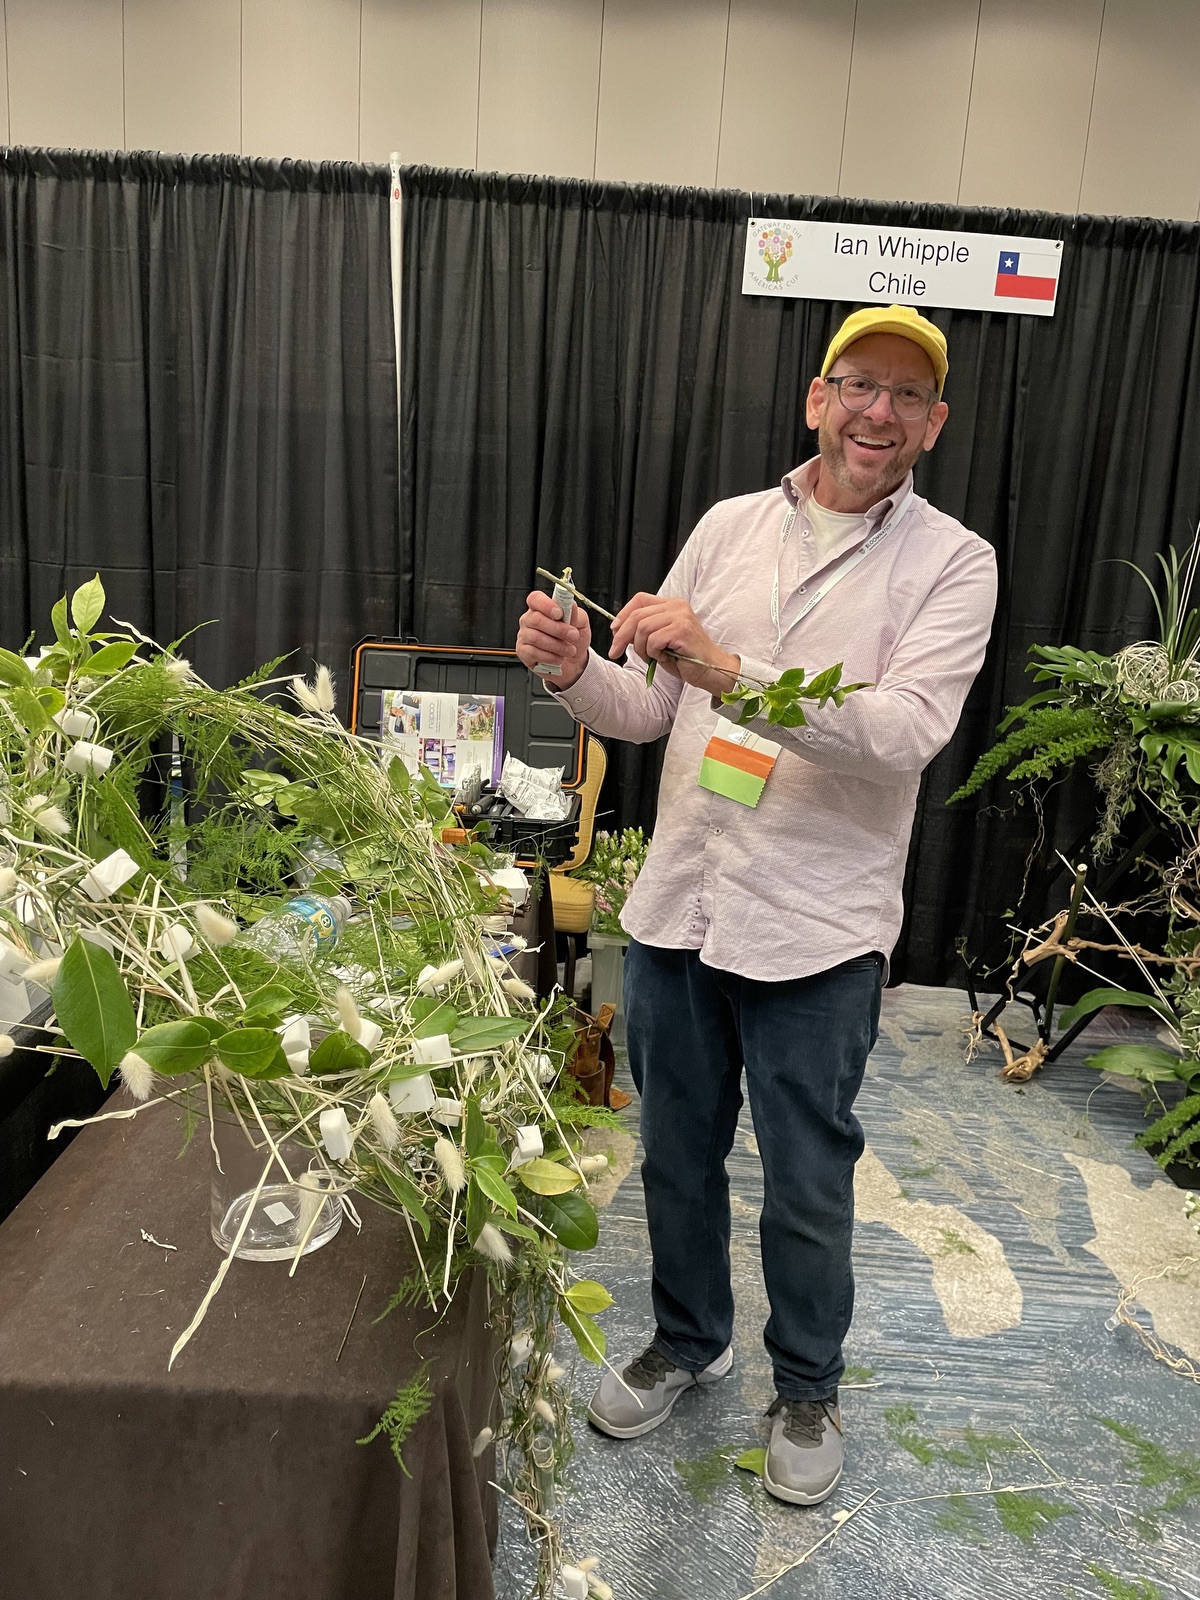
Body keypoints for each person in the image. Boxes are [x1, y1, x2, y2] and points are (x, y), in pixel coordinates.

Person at [515, 304, 997, 1507]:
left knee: (807, 1179)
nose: (879, 412)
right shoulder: (730, 525)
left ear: (934, 423)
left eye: (906, 395)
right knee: (675, 1153)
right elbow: (650, 708)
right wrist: (575, 672)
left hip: (816, 929)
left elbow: (900, 734)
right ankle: (690, 1339)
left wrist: (729, 667)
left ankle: (808, 1385)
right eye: (859, 384)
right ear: (816, 399)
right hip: (683, 906)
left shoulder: (954, 563)